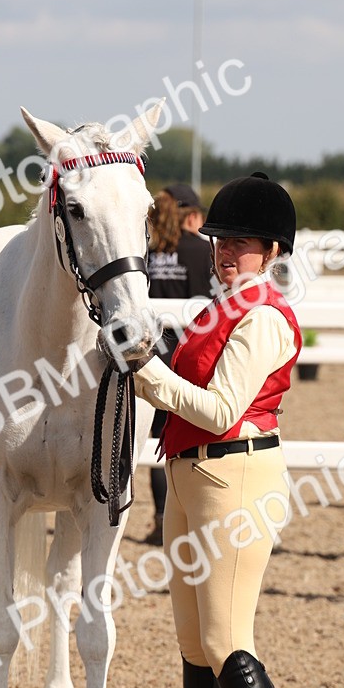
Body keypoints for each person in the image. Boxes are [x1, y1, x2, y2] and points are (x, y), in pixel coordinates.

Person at [133, 172, 303, 688]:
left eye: (241, 245)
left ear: (272, 251)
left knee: (228, 638)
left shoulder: (261, 318)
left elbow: (221, 410)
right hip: (188, 479)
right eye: (222, 242)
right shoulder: (218, 310)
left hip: (236, 478)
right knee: (193, 645)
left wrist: (146, 371)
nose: (226, 253)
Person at [144, 184, 213, 545]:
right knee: (194, 434)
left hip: (152, 354)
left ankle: (161, 520)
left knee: (156, 438)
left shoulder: (145, 252)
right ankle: (193, 515)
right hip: (189, 354)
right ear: (190, 215)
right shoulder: (202, 252)